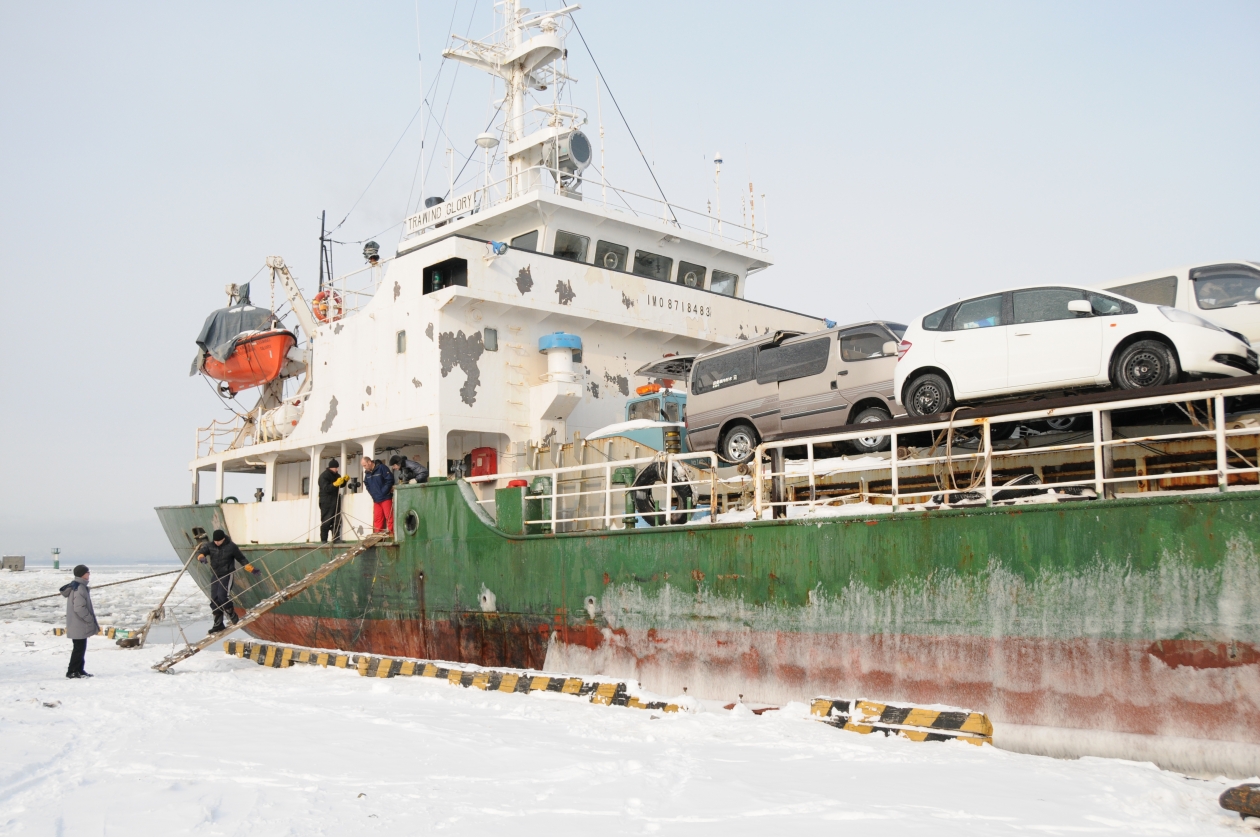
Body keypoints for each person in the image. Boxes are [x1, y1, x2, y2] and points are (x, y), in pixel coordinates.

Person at [194, 529, 261, 634]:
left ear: (223, 539)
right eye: (215, 541)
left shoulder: (231, 547)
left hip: (227, 574)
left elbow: (241, 558)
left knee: (222, 596)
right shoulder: (210, 545)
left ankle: (231, 614)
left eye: (219, 541)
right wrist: (201, 557)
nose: (217, 543)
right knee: (214, 599)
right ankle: (218, 624)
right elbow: (200, 552)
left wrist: (250, 568)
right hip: (216, 575)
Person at [60, 565, 99, 679]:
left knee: (80, 647)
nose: (89, 574)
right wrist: (89, 618)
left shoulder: (79, 586)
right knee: (78, 648)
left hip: (78, 623)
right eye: (88, 572)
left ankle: (79, 669)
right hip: (78, 623)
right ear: (82, 574)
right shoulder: (79, 588)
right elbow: (79, 607)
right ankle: (72, 671)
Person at [362, 456, 395, 535]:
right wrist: (372, 493)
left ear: (369, 462)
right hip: (376, 498)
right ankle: (377, 535)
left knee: (389, 517)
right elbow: (366, 483)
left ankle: (392, 534)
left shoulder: (382, 468)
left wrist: (383, 492)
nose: (364, 468)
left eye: (364, 465)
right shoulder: (367, 473)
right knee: (377, 518)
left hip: (385, 497)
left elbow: (390, 480)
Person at [318, 458, 348, 542]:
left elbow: (340, 485)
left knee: (337, 520)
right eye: (335, 468)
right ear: (331, 467)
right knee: (326, 520)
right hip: (326, 501)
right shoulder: (324, 476)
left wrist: (344, 481)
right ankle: (324, 540)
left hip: (335, 500)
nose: (337, 469)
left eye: (337, 468)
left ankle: (336, 538)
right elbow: (326, 488)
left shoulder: (336, 475)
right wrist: (335, 484)